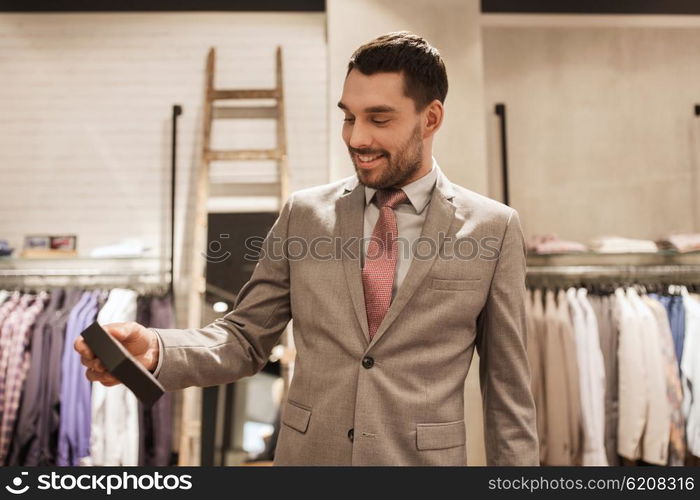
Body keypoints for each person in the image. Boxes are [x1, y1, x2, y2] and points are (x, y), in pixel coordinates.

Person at [75, 31, 538, 466]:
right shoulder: (304, 213)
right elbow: (243, 337)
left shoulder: (493, 229)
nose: (357, 138)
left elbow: (507, 390)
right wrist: (156, 348)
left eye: (379, 119)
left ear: (430, 118)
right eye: (349, 117)